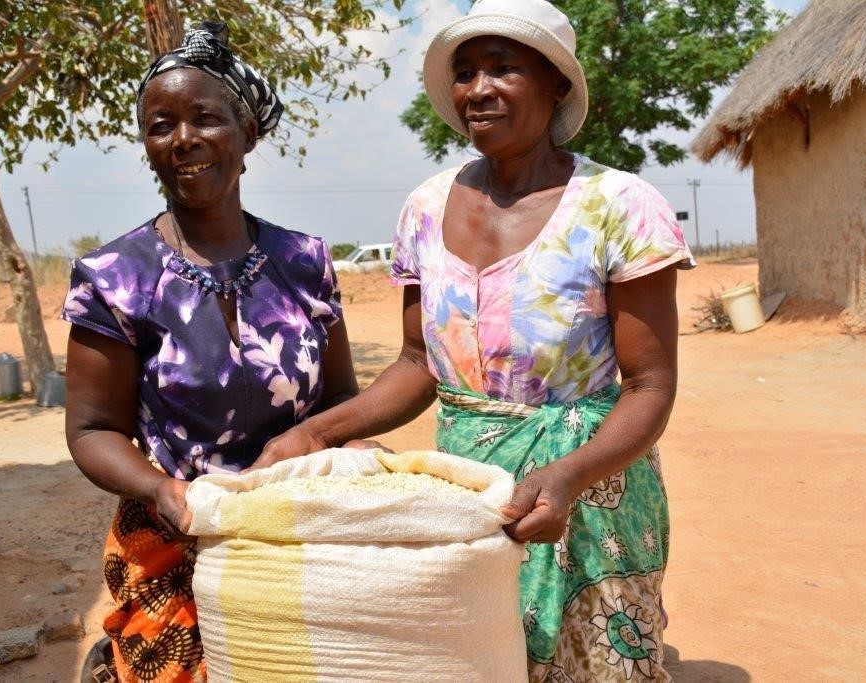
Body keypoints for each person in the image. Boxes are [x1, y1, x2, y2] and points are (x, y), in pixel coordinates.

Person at [255, 0, 694, 679]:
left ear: (556, 85)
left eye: (503, 68)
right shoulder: (427, 207)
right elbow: (416, 364)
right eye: (465, 73)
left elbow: (650, 385)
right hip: (475, 496)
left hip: (591, 492)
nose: (478, 89)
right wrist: (317, 432)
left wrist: (569, 475)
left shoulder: (621, 206)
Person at [62, 23, 360, 681]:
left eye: (205, 118)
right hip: (176, 536)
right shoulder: (113, 276)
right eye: (160, 125)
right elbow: (90, 429)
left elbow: (340, 397)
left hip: (298, 529)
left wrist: (337, 443)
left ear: (247, 134)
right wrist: (159, 489)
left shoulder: (304, 261)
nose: (184, 139)